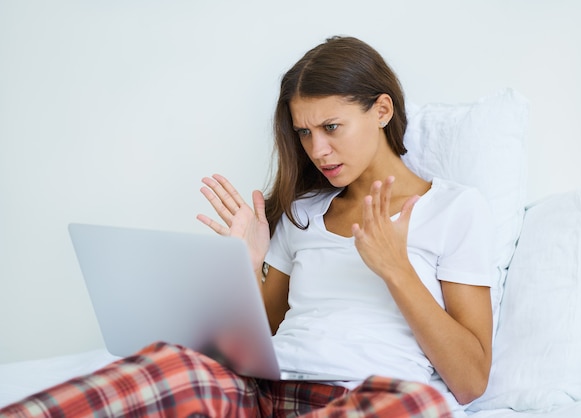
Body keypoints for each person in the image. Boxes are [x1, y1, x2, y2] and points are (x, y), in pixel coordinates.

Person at [0, 36, 493, 418]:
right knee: (171, 364)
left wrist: (396, 270)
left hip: (365, 397)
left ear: (381, 110)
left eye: (331, 127)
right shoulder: (303, 212)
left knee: (417, 405)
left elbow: (470, 380)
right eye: (304, 133)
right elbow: (259, 338)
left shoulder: (453, 209)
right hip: (262, 393)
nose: (317, 150)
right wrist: (245, 266)